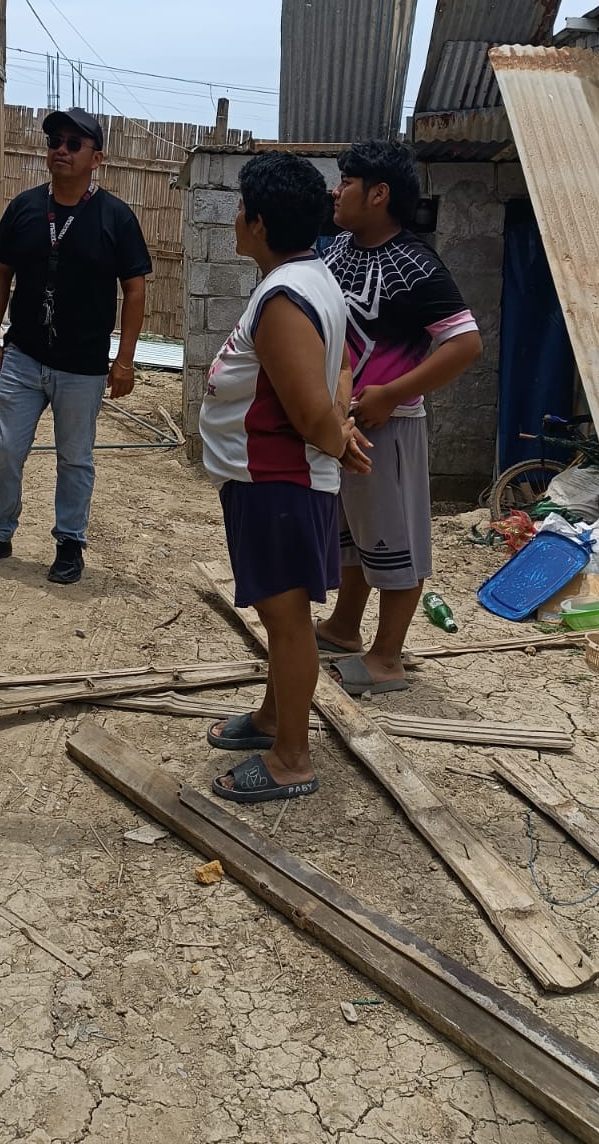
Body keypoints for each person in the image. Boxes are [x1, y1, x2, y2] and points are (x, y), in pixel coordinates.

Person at [200, 153, 371, 805]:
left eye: (242, 209)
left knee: (287, 617)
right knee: (283, 615)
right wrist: (339, 432)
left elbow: (306, 411)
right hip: (273, 477)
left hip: (276, 479)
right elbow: (344, 367)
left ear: (261, 224)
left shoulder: (284, 298)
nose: (236, 219)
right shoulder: (311, 278)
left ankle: (291, 759)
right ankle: (274, 718)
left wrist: (334, 436)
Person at [317, 138, 482, 692]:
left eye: (347, 182)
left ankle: (387, 658)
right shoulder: (338, 249)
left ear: (378, 193)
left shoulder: (417, 264)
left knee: (395, 541)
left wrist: (391, 394)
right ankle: (344, 628)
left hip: (390, 426)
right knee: (352, 532)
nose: (337, 191)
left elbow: (465, 343)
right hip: (343, 423)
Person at [0, 108, 152, 585]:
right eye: (55, 141)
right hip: (23, 356)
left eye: (73, 143)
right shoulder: (25, 207)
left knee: (74, 458)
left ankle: (69, 543)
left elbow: (134, 290)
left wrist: (124, 360)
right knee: (4, 450)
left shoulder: (116, 217)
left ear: (97, 158)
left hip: (83, 366)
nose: (61, 150)